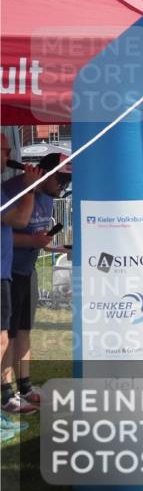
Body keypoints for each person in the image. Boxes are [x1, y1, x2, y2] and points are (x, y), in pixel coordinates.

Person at [1, 152, 71, 415]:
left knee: (23, 330)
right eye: (61, 180)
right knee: (5, 336)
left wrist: (58, 247)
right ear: (43, 173)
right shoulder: (11, 190)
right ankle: (7, 393)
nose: (62, 187)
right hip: (8, 270)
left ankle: (25, 386)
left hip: (26, 270)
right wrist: (32, 242)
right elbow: (11, 231)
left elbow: (36, 237)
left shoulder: (48, 198)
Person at [0, 136, 42, 427]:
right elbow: (20, 218)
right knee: (3, 336)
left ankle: (10, 393)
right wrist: (29, 187)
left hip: (6, 271)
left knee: (7, 334)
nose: (10, 155)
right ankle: (6, 395)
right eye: (6, 150)